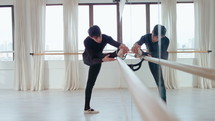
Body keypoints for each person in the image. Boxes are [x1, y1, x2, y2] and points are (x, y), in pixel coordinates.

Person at [83, 25, 129, 114]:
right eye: (95, 38)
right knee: (100, 57)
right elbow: (93, 57)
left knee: (91, 82)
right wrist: (103, 60)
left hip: (100, 57)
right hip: (89, 58)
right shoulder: (87, 41)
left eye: (99, 36)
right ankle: (116, 53)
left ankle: (86, 108)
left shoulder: (105, 37)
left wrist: (122, 46)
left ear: (101, 33)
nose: (99, 39)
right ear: (91, 37)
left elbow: (115, 43)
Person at [131, 24, 169, 102]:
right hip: (150, 57)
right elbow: (138, 43)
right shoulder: (146, 37)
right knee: (158, 82)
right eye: (155, 36)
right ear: (152, 32)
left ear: (162, 37)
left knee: (160, 83)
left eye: (159, 37)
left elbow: (159, 53)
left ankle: (163, 104)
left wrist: (145, 54)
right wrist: (135, 46)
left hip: (160, 57)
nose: (156, 39)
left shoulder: (165, 40)